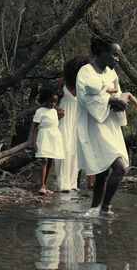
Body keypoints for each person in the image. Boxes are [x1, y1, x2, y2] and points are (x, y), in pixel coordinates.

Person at [76, 34, 131, 216]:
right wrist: (109, 100)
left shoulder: (111, 73)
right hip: (94, 126)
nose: (117, 59)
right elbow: (85, 99)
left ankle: (94, 208)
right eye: (114, 54)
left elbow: (118, 96)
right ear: (101, 52)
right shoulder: (85, 72)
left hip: (110, 125)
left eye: (118, 55)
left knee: (103, 171)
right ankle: (105, 208)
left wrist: (120, 101)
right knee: (119, 167)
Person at [55, 56, 89, 192]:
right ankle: (62, 184)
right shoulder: (61, 86)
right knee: (64, 149)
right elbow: (48, 103)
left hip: (78, 119)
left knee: (76, 151)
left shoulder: (85, 86)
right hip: (63, 119)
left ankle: (73, 183)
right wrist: (54, 111)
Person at [29, 86, 65, 195]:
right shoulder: (40, 111)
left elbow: (56, 120)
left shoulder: (54, 111)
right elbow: (34, 127)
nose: (53, 104)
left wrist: (61, 114)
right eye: (51, 101)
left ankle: (45, 184)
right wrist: (33, 141)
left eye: (55, 102)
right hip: (44, 137)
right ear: (45, 100)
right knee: (43, 161)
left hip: (54, 137)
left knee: (50, 161)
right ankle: (42, 185)